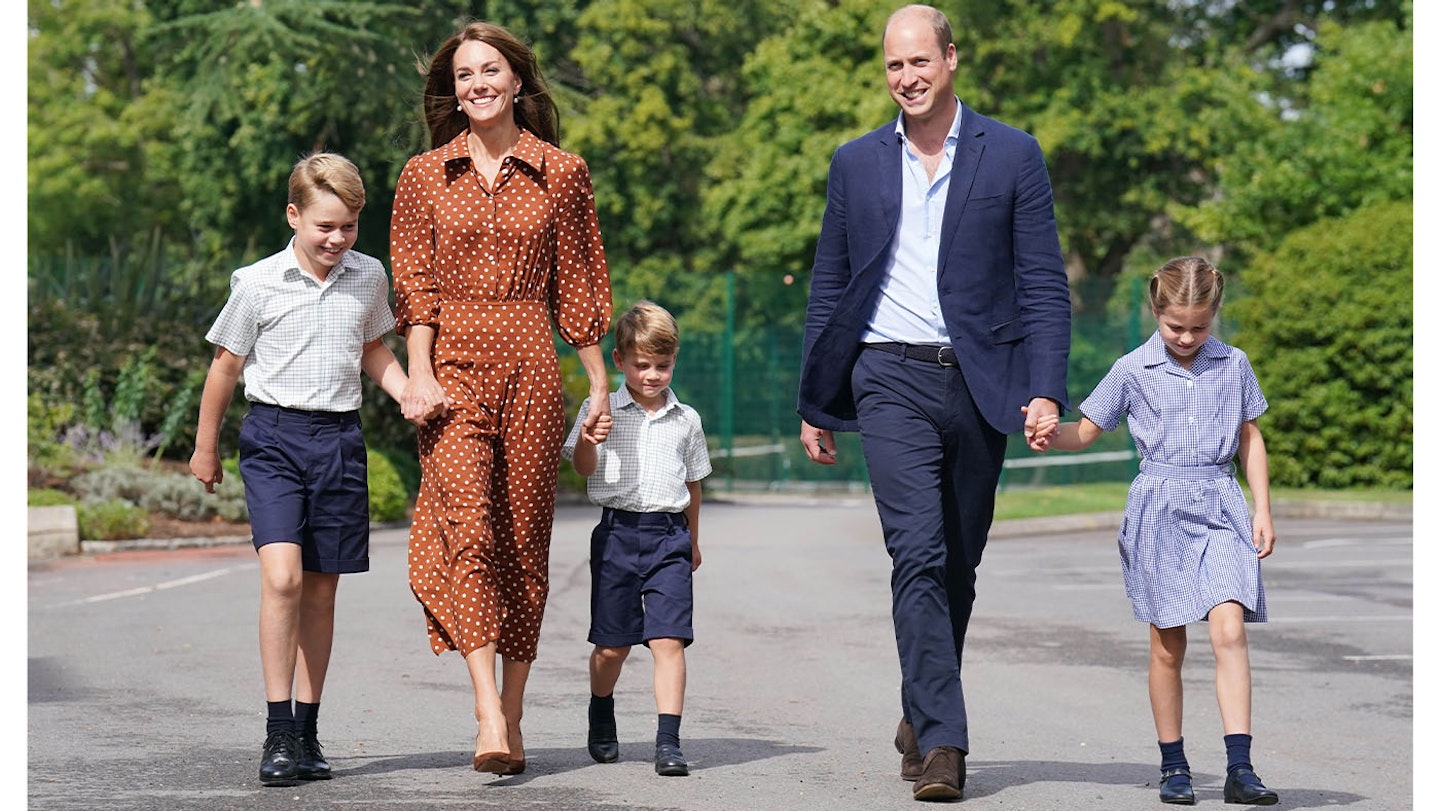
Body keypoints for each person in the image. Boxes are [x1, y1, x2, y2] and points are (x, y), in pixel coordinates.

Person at [796, 4, 1072, 802]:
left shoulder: (1013, 155)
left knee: (958, 561)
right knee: (914, 551)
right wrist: (818, 395)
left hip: (982, 382)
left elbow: (1044, 283)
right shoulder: (855, 164)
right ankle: (946, 744)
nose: (907, 78)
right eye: (893, 66)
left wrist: (1045, 386)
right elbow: (830, 286)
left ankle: (921, 705)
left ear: (951, 58)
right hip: (887, 377)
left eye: (920, 62)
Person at [390, 21, 613, 777]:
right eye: (463, 75)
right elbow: (414, 291)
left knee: (523, 541)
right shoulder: (424, 174)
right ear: (452, 91)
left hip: (532, 366)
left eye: (490, 70)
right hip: (451, 370)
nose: (477, 84)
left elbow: (578, 283)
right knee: (470, 530)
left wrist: (599, 381)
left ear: (517, 80)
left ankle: (513, 710)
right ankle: (486, 706)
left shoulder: (563, 172)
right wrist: (418, 373)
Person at [189, 152, 415, 787]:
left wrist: (408, 394)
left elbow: (373, 347)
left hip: (340, 440)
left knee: (321, 587)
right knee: (284, 578)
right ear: (294, 216)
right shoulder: (256, 282)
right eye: (323, 227)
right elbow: (226, 369)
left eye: (347, 227)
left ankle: (309, 731)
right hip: (274, 439)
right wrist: (206, 448)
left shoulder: (368, 277)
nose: (336, 240)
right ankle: (277, 731)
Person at [1027, 256, 1279, 806]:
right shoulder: (1131, 369)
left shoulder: (1233, 364)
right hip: (1159, 508)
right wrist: (1048, 432)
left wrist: (1261, 507)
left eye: (1199, 326)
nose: (1187, 337)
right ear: (1156, 311)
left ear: (1214, 316)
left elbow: (1249, 437)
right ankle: (1174, 766)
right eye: (1176, 326)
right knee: (1168, 645)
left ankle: (1240, 767)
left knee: (1230, 630)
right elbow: (1087, 431)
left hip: (1220, 503)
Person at [561, 300, 712, 778]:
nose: (652, 375)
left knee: (669, 641)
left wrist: (692, 538)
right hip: (617, 535)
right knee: (613, 647)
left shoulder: (686, 419)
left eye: (662, 366)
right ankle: (601, 708)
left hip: (669, 537)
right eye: (641, 365)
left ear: (674, 361)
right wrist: (589, 438)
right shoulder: (599, 408)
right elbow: (582, 469)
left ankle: (668, 742)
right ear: (620, 361)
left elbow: (693, 484)